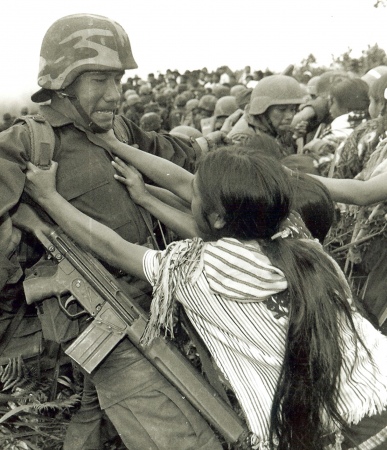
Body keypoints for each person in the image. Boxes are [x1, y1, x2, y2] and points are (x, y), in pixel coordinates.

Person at [25, 143, 387, 450]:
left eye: (195, 195)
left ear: (216, 217)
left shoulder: (195, 268)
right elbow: (190, 195)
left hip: (336, 433)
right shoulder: (305, 246)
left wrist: (47, 196)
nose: (188, 195)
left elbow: (112, 247)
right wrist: (119, 150)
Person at [0, 13, 222, 450]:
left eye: (118, 79)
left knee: (99, 416)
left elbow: (169, 151)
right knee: (185, 439)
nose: (116, 94)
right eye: (100, 79)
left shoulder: (116, 129)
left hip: (153, 307)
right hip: (98, 321)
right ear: (63, 80)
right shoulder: (26, 145)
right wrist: (31, 285)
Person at [228, 75, 305, 159]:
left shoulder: (272, 128)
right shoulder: (244, 139)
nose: (290, 116)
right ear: (263, 110)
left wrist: (294, 138)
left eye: (293, 109)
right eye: (282, 110)